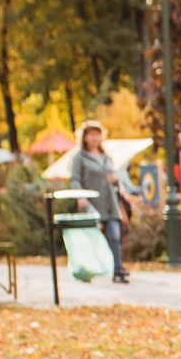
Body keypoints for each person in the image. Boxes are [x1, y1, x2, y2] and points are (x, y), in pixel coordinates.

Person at [70, 121, 134, 285]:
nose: (95, 138)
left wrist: (115, 181)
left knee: (115, 236)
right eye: (91, 134)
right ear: (84, 137)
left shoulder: (106, 157)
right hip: (91, 203)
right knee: (90, 238)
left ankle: (117, 270)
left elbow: (113, 177)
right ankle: (86, 271)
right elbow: (75, 180)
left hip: (109, 202)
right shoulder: (79, 158)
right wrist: (80, 196)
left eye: (97, 134)